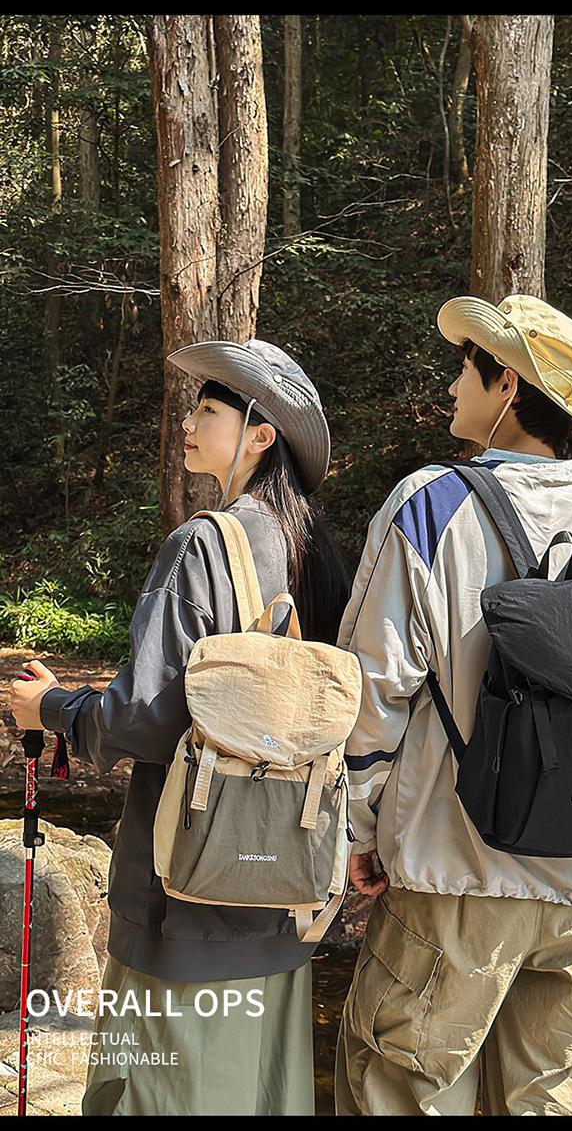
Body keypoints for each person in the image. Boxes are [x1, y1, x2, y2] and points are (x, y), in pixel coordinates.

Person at [334, 294, 572, 1116]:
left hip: (459, 870)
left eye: (464, 369)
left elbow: (372, 690)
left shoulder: (430, 505)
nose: (452, 387)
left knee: (406, 1090)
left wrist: (358, 830)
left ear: (507, 384)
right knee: (554, 1100)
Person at [10, 338, 350, 1116]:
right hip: (288, 881)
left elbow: (142, 719)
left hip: (186, 889)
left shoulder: (203, 544)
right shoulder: (316, 555)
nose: (187, 424)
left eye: (208, 410)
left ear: (260, 435)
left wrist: (51, 709)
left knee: (156, 1089)